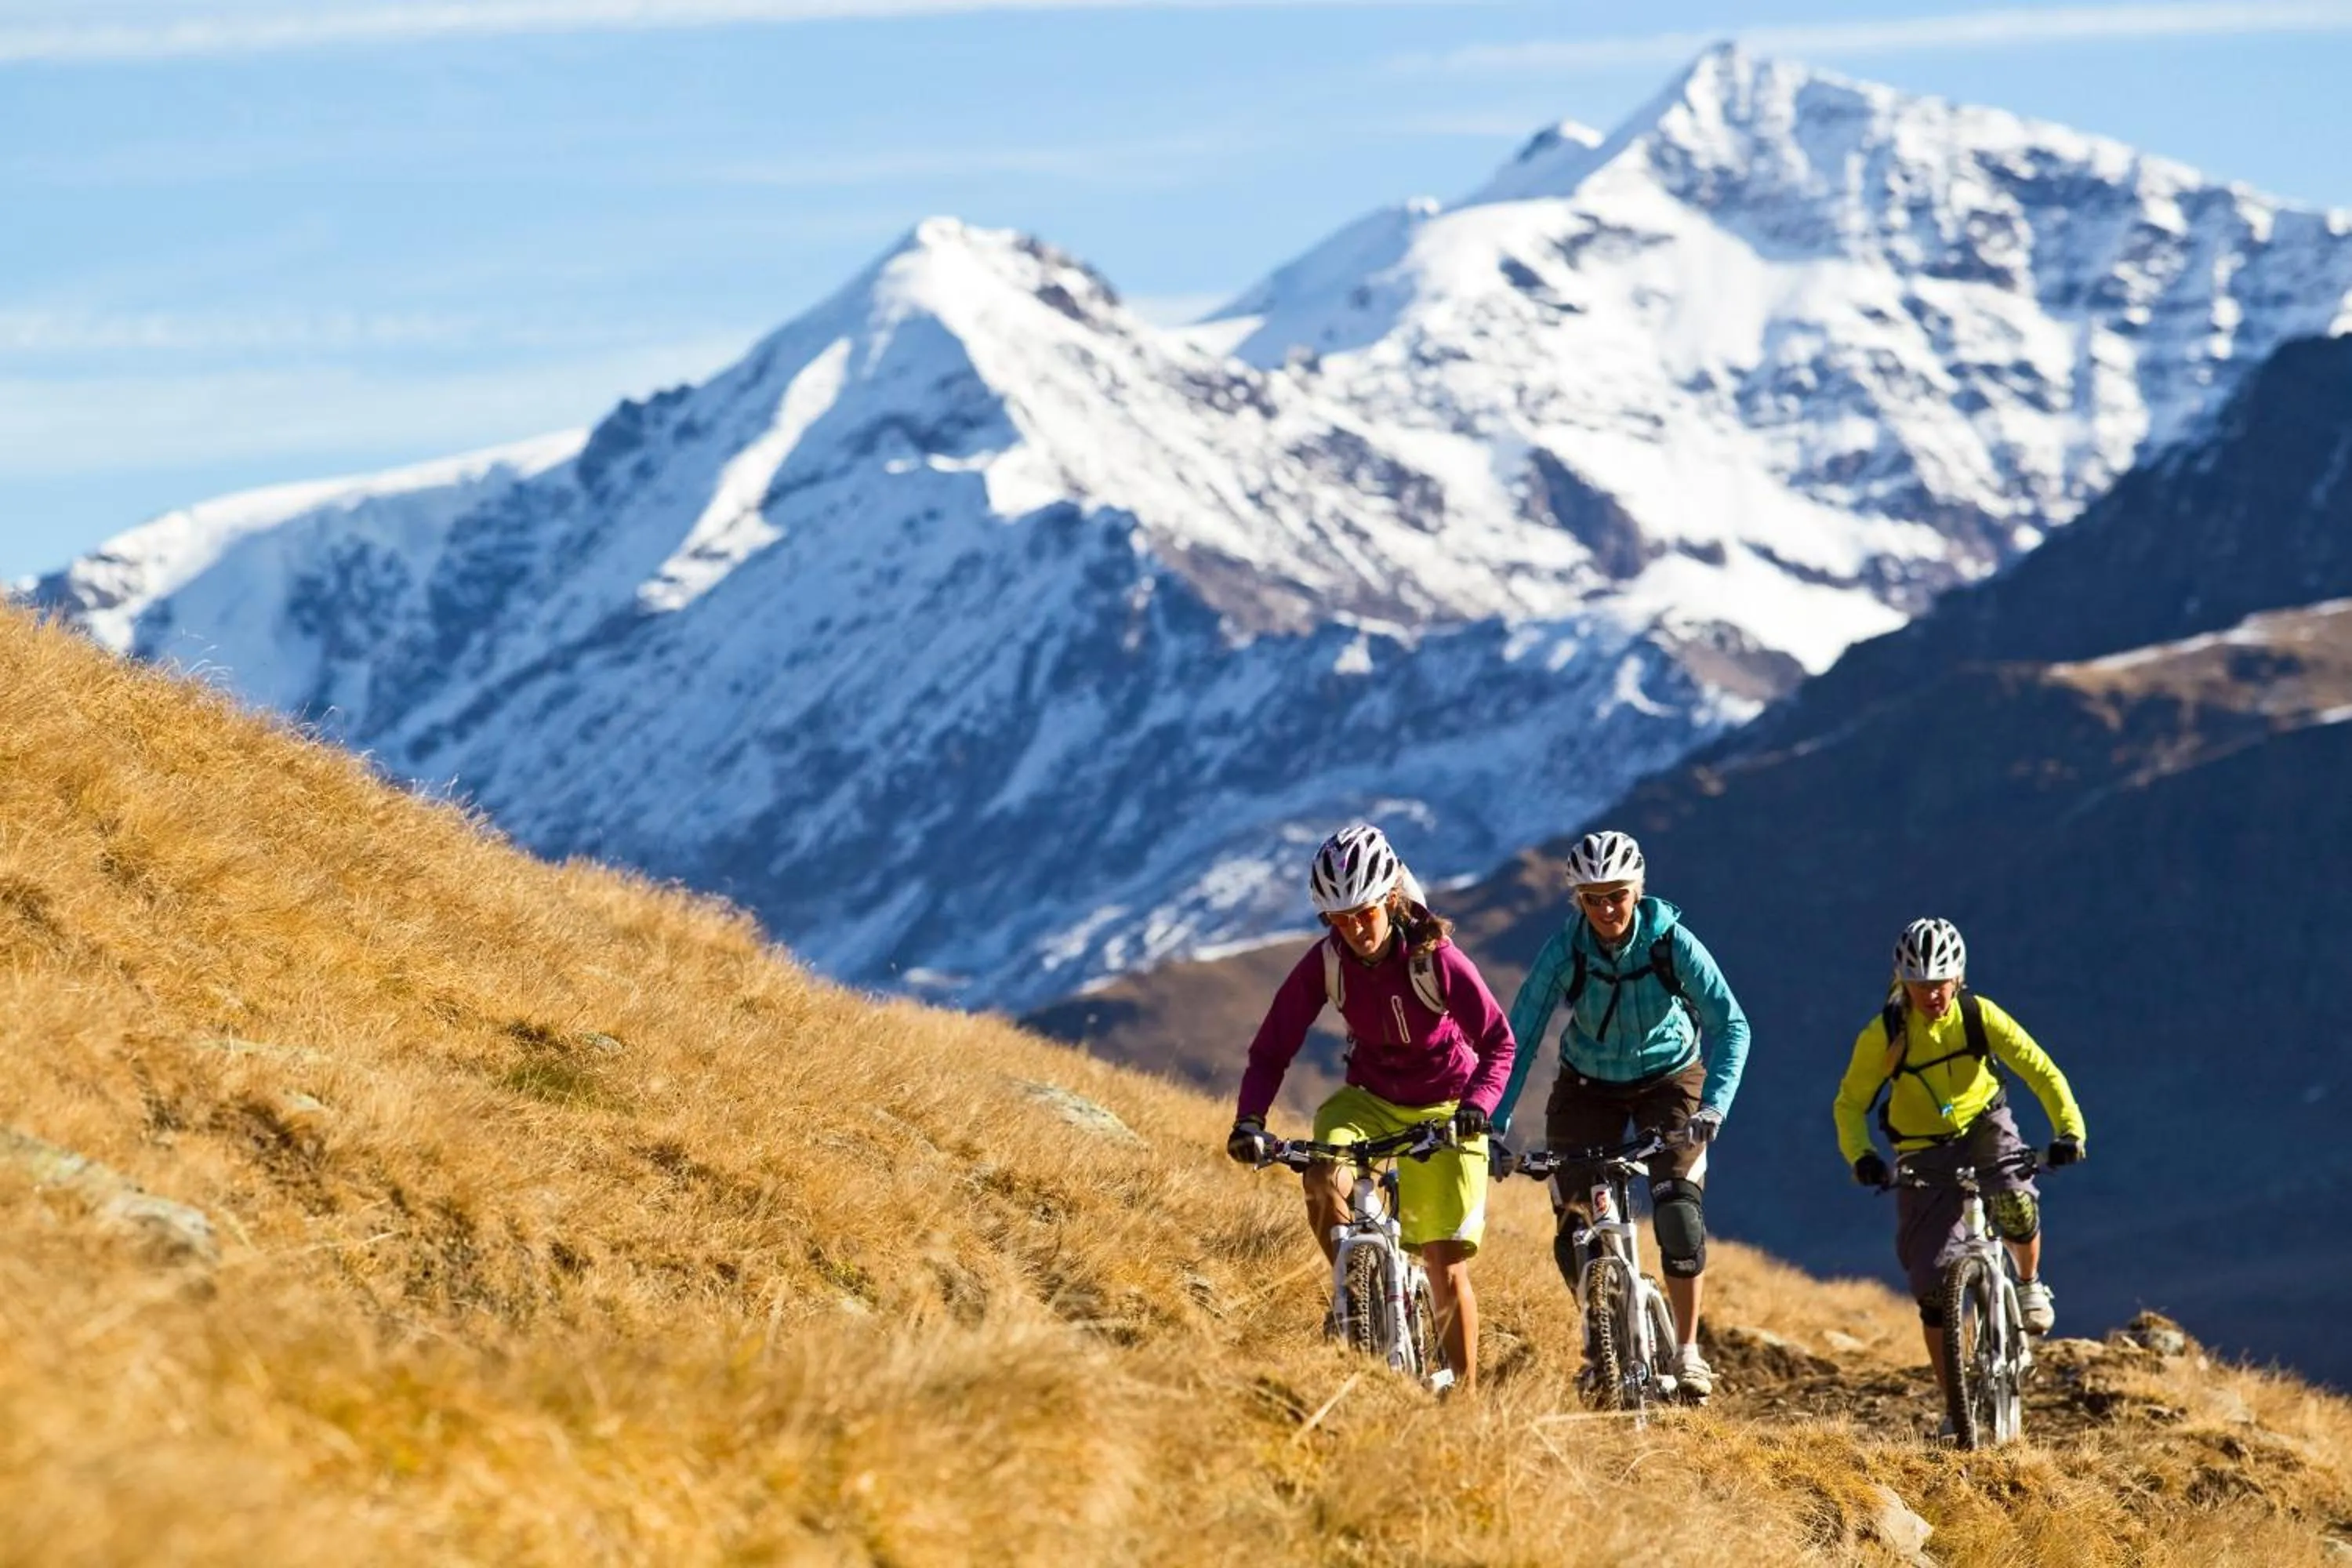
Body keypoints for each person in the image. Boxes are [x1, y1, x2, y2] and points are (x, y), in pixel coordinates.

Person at [1225, 823, 1516, 1392]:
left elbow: (1499, 1043)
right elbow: (1271, 1049)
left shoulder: (1436, 959)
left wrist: (1477, 1106)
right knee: (1321, 1176)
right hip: (1368, 1101)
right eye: (1340, 919)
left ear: (1390, 898)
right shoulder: (1327, 962)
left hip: (1446, 1107)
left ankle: (1466, 1400)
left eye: (1364, 913)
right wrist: (1249, 1120)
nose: (1355, 929)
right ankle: (1355, 1296)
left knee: (1443, 1261)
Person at [1491, 829, 1751, 1402]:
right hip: (1588, 1087)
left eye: (1618, 896)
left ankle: (1688, 1351)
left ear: (1638, 890)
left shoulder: (1672, 943)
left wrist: (1714, 1105)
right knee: (1573, 1229)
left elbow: (1732, 1024)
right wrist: (1495, 1119)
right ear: (1577, 900)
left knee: (1678, 1212)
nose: (1607, 909)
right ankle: (1603, 1341)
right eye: (1593, 899)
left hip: (1671, 1080)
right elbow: (1520, 1035)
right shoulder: (1565, 951)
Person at [1834, 916, 2086, 1418]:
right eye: (1920, 983)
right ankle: (1957, 1411)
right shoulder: (1885, 1034)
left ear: (1958, 978)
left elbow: (2040, 1071)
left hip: (1985, 1124)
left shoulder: (1979, 1016)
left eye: (1940, 982)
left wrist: (2069, 1132)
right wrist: (1862, 1156)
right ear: (1903, 982)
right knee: (1931, 1289)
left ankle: (2029, 1284)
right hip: (1920, 1147)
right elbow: (1850, 1104)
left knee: (2014, 1201)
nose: (1932, 994)